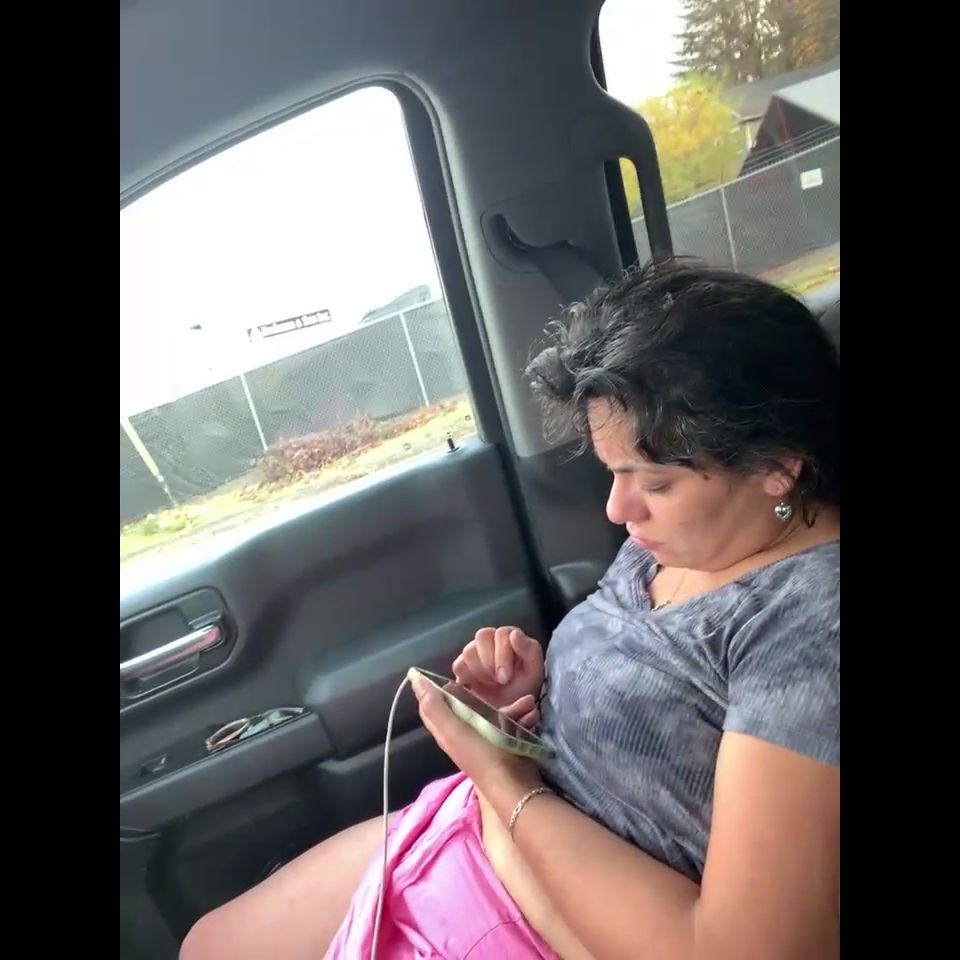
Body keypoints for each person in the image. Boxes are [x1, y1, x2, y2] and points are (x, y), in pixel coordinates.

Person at [181, 258, 841, 960]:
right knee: (208, 946)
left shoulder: (811, 630)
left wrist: (504, 779)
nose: (617, 509)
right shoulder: (694, 537)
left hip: (531, 916)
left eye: (655, 483)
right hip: (482, 830)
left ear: (778, 466)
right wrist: (539, 699)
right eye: (613, 472)